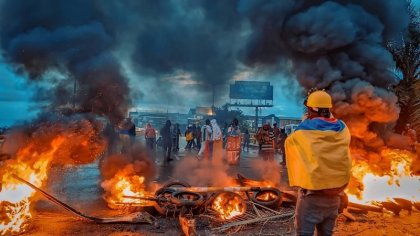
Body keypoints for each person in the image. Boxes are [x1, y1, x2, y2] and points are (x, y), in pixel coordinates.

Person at [285, 90, 352, 236]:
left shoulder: (303, 132)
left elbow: (290, 143)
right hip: (335, 198)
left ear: (310, 110)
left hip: (311, 199)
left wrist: (306, 121)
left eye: (309, 110)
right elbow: (330, 121)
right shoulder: (343, 129)